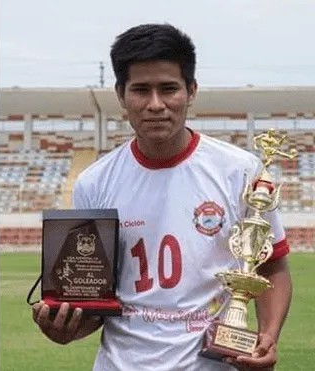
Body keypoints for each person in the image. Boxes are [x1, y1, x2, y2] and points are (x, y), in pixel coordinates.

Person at [31, 23, 292, 371]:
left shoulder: (242, 171)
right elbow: (96, 300)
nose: (156, 104)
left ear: (191, 90)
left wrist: (268, 335)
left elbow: (272, 266)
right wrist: (67, 326)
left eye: (169, 88)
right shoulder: (94, 183)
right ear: (121, 95)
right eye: (141, 90)